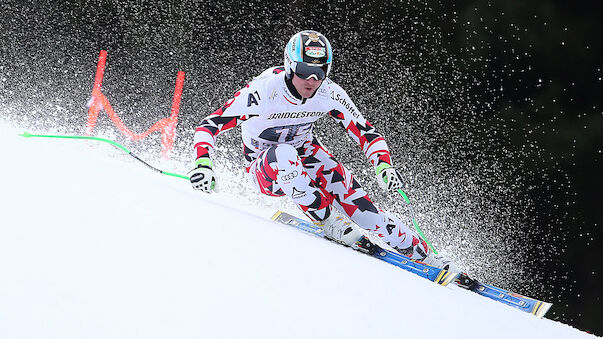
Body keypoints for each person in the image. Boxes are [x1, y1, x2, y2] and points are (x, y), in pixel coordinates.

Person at [189, 30, 456, 271]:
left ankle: (421, 254)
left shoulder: (329, 93)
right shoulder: (264, 91)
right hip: (265, 167)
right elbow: (210, 124)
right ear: (290, 66)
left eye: (320, 71)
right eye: (305, 70)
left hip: (305, 154)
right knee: (284, 154)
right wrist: (203, 163)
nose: (312, 80)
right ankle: (328, 220)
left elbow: (366, 132)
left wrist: (383, 165)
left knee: (362, 208)